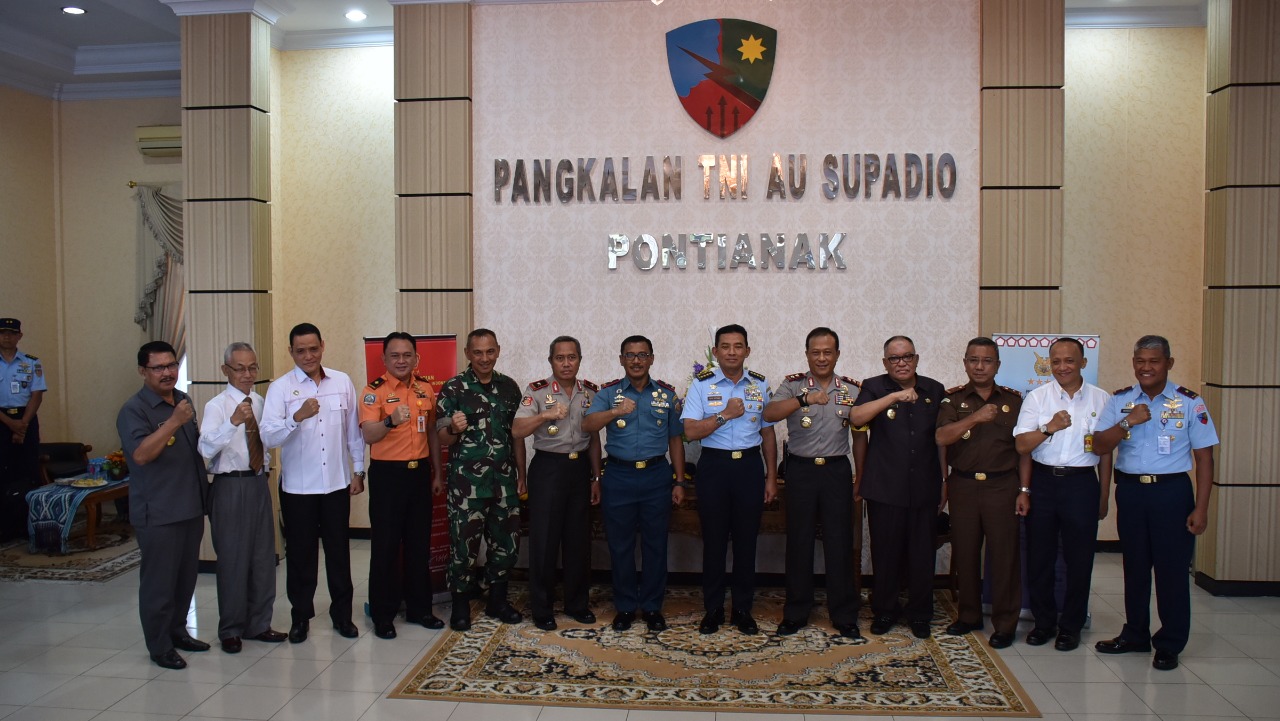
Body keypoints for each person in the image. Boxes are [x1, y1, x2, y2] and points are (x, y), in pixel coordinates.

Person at [1090, 335, 1218, 671]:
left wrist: (1201, 508)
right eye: (1140, 361)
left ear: (1168, 363)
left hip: (1171, 492)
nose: (1146, 368)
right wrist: (1127, 422)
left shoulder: (1189, 403)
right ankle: (1135, 634)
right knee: (1134, 567)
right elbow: (1099, 446)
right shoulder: (1120, 401)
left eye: (1154, 361)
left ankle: (1170, 643)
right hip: (1132, 492)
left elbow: (1205, 459)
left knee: (1171, 571)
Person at [261, 323, 365, 643]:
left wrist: (358, 471)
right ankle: (300, 617)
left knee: (339, 552)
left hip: (336, 483)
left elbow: (353, 432)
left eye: (313, 349)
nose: (308, 356)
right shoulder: (280, 388)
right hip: (298, 489)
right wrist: (296, 417)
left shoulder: (342, 381)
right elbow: (268, 436)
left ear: (323, 346)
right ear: (291, 352)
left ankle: (342, 615)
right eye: (301, 351)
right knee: (301, 555)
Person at [763, 326, 867, 638]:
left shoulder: (851, 390)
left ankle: (844, 614)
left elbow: (860, 436)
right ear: (807, 354)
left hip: (836, 471)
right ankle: (796, 612)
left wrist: (861, 476)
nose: (822, 358)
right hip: (801, 470)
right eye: (816, 352)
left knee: (839, 542)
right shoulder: (792, 385)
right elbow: (770, 414)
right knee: (799, 541)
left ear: (837, 354)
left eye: (828, 352)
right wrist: (803, 399)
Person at [1013, 337, 1112, 652]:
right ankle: (1043, 623)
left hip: (1081, 484)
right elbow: (1022, 446)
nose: (1062, 367)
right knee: (1039, 558)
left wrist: (1104, 495)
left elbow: (1106, 452)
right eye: (1055, 361)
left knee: (1079, 560)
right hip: (1043, 482)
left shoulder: (1101, 399)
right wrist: (1049, 428)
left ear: (1083, 362)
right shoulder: (1037, 398)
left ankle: (1071, 626)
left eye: (1069, 360)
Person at [117, 341, 210, 669]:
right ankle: (159, 646)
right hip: (158, 511)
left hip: (190, 505)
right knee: (159, 583)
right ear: (143, 371)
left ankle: (178, 632)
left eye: (171, 365)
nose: (167, 372)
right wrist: (173, 422)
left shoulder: (183, 400)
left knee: (185, 579)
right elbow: (141, 455)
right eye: (158, 368)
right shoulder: (134, 410)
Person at [584, 335, 685, 632]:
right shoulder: (608, 393)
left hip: (656, 476)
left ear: (651, 358)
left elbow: (675, 439)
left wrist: (679, 481)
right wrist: (615, 412)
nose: (636, 361)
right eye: (630, 355)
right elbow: (587, 425)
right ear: (621, 359)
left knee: (656, 544)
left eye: (642, 355)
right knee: (620, 545)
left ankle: (652, 607)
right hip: (619, 475)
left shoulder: (667, 395)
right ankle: (626, 607)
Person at [682, 324, 778, 635]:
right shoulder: (701, 385)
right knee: (714, 541)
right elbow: (690, 431)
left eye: (738, 346)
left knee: (747, 542)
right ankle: (713, 609)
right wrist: (724, 414)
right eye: (725, 346)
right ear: (716, 351)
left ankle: (742, 610)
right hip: (714, 466)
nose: (732, 352)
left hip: (749, 467)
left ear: (747, 351)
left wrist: (771, 476)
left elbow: (768, 433)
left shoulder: (760, 384)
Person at [936, 337, 1030, 649]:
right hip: (963, 485)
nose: (980, 366)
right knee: (965, 553)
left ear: (997, 365)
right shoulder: (952, 400)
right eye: (973, 360)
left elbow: (1024, 450)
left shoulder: (1015, 402)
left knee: (1004, 556)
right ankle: (969, 615)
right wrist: (975, 417)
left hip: (1002, 486)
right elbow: (942, 438)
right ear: (965, 363)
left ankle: (1004, 624)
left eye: (987, 361)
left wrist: (1024, 489)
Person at [850, 335, 946, 639]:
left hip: (925, 486)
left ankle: (920, 614)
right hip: (885, 487)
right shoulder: (873, 387)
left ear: (916, 359)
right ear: (885, 362)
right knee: (886, 553)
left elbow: (942, 440)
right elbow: (856, 417)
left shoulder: (934, 389)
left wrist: (945, 480)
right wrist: (894, 397)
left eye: (907, 357)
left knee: (922, 555)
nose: (901, 363)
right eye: (894, 358)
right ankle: (885, 610)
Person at [197, 342, 287, 654]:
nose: (247, 374)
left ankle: (259, 624)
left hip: (258, 482)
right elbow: (205, 448)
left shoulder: (261, 402)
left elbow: (267, 442)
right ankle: (231, 629)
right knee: (233, 559)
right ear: (226, 370)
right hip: (229, 486)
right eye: (240, 369)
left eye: (252, 368)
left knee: (263, 557)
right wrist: (232, 421)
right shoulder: (217, 406)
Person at [435, 328, 526, 631]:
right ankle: (461, 605)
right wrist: (454, 428)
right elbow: (443, 437)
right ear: (467, 354)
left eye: (490, 351)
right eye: (478, 352)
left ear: (497, 350)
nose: (484, 358)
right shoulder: (453, 388)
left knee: (506, 545)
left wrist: (522, 475)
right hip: (467, 486)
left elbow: (517, 435)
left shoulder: (509, 387)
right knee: (464, 547)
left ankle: (497, 601)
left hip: (504, 482)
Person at [358, 332, 446, 640]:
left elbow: (432, 431)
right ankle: (383, 615)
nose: (401, 360)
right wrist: (390, 421)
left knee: (419, 545)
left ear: (416, 358)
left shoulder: (425, 389)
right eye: (394, 355)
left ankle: (420, 609)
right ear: (384, 359)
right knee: (385, 547)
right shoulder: (373, 392)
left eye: (407, 355)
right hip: (388, 476)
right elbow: (368, 435)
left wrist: (436, 473)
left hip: (418, 473)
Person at [513, 336, 603, 631]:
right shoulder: (537, 391)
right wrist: (545, 415)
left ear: (580, 360)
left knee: (578, 541)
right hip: (548, 468)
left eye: (572, 357)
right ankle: (542, 608)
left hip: (579, 469)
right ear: (551, 361)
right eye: (560, 358)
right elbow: (517, 430)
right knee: (545, 540)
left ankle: (577, 604)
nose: (566, 363)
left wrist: (596, 477)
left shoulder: (590, 392)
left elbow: (594, 438)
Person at [0, 318, 46, 540]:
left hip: (26, 419)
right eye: (3, 333)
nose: (7, 337)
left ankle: (28, 526)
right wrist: (11, 425)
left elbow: (36, 395)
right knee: (3, 472)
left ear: (19, 336)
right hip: (1, 421)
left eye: (12, 333)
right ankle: (5, 528)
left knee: (29, 471)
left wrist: (22, 425)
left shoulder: (32, 362)